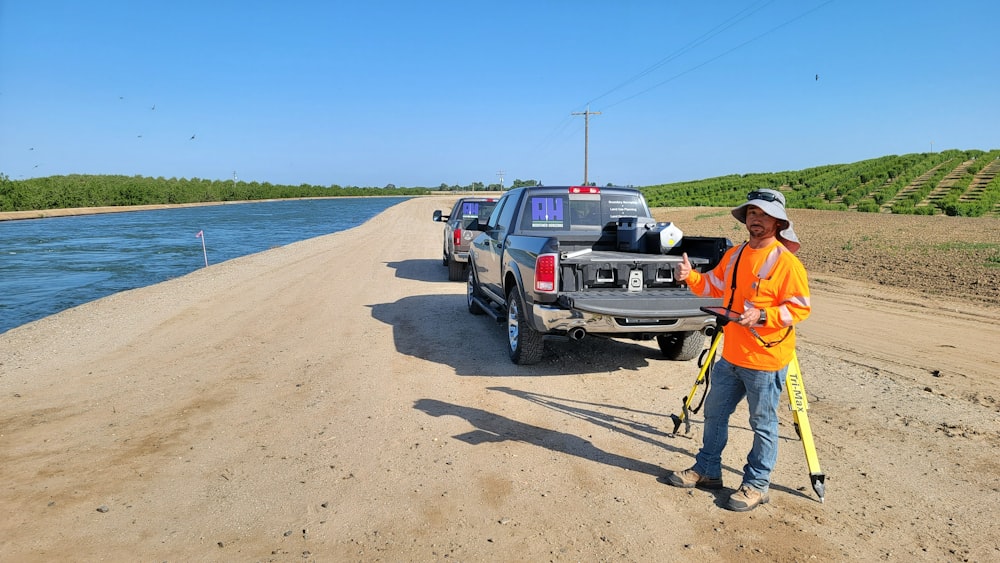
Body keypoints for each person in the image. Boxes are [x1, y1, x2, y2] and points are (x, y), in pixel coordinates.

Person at [666, 188, 811, 512]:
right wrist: (691, 278)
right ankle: (707, 470)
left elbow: (800, 308)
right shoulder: (735, 255)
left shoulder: (786, 264)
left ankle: (757, 485)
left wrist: (764, 315)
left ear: (778, 222)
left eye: (762, 214)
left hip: (766, 360)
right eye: (751, 214)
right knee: (715, 414)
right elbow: (714, 286)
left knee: (762, 424)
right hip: (731, 355)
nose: (755, 220)